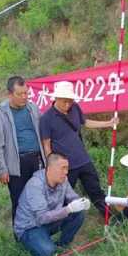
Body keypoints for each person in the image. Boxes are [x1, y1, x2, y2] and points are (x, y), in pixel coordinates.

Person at [40, 81, 117, 216]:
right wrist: (52, 166)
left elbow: (85, 122)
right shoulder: (46, 118)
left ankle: (108, 216)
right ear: (56, 98)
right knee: (63, 196)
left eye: (70, 101)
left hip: (83, 159)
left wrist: (108, 123)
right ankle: (60, 221)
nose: (68, 104)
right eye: (65, 101)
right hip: (65, 165)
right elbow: (46, 144)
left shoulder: (75, 108)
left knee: (95, 189)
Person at [0, 76, 45, 235]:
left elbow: (42, 132)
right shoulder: (0, 113)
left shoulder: (33, 108)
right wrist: (2, 169)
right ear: (9, 94)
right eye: (20, 94)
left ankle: (37, 231)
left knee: (37, 197)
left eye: (26, 93)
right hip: (16, 163)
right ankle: (20, 234)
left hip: (36, 159)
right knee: (19, 199)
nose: (24, 97)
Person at [14, 153, 89, 256]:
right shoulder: (35, 185)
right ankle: (34, 244)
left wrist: (82, 202)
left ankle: (62, 245)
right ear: (50, 168)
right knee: (48, 252)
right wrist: (68, 209)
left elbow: (72, 197)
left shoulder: (63, 180)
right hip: (31, 227)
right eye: (63, 168)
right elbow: (42, 218)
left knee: (78, 214)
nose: (66, 172)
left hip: (50, 220)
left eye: (67, 168)